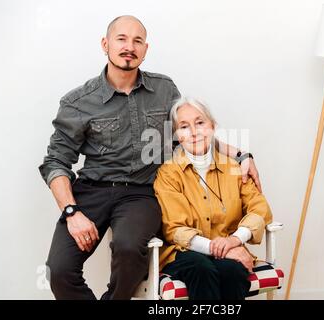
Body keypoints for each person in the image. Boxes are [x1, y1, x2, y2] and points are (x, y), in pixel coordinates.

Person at [39, 15, 261, 300]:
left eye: (137, 41)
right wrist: (71, 212)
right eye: (121, 39)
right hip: (91, 191)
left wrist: (242, 154)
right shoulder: (78, 101)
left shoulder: (165, 90)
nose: (129, 47)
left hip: (141, 194)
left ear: (145, 49)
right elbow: (56, 161)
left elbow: (191, 134)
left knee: (130, 250)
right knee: (58, 271)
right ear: (105, 44)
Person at [154, 97, 272, 300]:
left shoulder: (235, 168)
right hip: (183, 253)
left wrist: (235, 240)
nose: (193, 132)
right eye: (184, 127)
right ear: (177, 136)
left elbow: (260, 210)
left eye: (200, 123)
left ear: (212, 126)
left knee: (232, 272)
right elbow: (176, 230)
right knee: (201, 268)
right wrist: (220, 249)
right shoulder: (168, 173)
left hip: (229, 245)